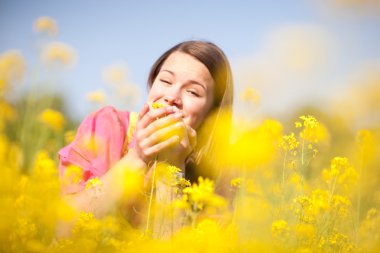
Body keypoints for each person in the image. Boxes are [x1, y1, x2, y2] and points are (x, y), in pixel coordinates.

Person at [56, 40, 234, 237]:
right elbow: (64, 231)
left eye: (193, 92)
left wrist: (173, 166)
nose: (172, 96)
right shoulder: (110, 125)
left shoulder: (217, 175)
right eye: (166, 81)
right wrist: (138, 158)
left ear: (210, 116)